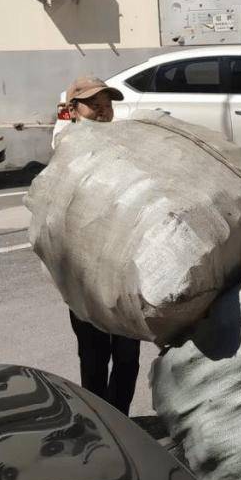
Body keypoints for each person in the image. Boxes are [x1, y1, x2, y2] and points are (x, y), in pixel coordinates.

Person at [56, 76, 141, 415]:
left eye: (107, 106)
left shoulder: (122, 146)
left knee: (127, 356)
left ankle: (121, 419)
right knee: (93, 356)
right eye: (94, 106)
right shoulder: (66, 151)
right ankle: (100, 421)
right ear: (73, 110)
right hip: (84, 275)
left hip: (123, 272)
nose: (103, 112)